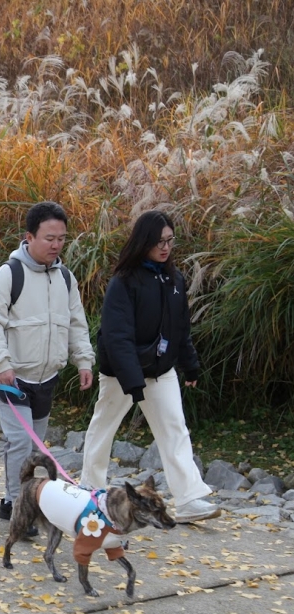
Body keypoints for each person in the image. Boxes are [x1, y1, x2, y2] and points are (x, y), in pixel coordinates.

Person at [80, 210, 220, 523]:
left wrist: (190, 365)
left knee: (174, 428)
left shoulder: (174, 278)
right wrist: (132, 382)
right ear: (143, 242)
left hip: (161, 369)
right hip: (121, 372)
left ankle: (189, 500)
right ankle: (89, 490)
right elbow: (117, 336)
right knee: (104, 426)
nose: (165, 247)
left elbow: (180, 327)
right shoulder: (124, 282)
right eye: (159, 242)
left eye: (170, 241)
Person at [0, 201, 95, 531]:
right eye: (49, 238)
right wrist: (1, 364)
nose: (56, 245)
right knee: (21, 444)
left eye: (62, 239)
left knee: (37, 448)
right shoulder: (6, 277)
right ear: (29, 237)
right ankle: (16, 506)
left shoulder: (65, 279)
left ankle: (18, 500)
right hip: (12, 377)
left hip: (47, 378)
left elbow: (76, 323)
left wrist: (84, 359)